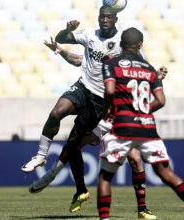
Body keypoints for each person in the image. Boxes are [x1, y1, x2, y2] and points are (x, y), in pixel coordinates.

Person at [22, 6, 166, 219]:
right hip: (83, 88)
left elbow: (141, 68)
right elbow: (75, 53)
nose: (104, 20)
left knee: (123, 156)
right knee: (57, 113)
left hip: (104, 104)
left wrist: (157, 76)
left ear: (116, 19)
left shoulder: (123, 42)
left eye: (108, 17)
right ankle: (43, 157)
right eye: (102, 17)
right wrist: (64, 33)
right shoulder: (90, 35)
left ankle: (141, 209)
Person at [98, 27, 184, 220]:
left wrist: (108, 110)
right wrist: (142, 111)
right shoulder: (149, 69)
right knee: (165, 172)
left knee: (106, 175)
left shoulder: (112, 63)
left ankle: (105, 218)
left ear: (121, 44)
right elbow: (161, 100)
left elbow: (109, 91)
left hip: (122, 127)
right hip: (147, 127)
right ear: (140, 45)